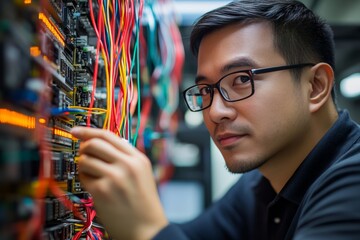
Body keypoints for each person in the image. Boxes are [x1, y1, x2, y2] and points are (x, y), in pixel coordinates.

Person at [70, 0, 360, 239]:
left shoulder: (352, 184)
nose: (215, 111)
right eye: (206, 90)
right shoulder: (258, 185)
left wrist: (146, 231)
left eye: (242, 79)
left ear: (316, 86)